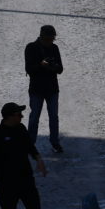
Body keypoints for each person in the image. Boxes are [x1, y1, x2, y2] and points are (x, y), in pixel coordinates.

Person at [23, 24, 65, 156]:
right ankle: (30, 144)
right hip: (36, 89)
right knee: (34, 117)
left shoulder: (54, 48)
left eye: (52, 39)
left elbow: (60, 69)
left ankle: (55, 143)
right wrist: (41, 65)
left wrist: (53, 67)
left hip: (52, 89)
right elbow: (29, 69)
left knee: (54, 117)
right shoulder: (31, 47)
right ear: (41, 37)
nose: (50, 41)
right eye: (48, 39)